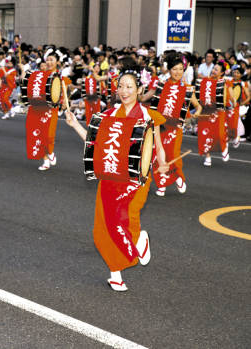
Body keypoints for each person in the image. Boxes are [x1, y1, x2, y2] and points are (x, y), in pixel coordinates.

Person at [65, 62, 169, 291]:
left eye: (129, 86)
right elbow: (96, 144)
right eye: (120, 86)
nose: (124, 91)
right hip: (110, 176)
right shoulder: (109, 115)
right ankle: (115, 273)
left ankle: (139, 240)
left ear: (139, 89)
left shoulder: (149, 116)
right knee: (104, 226)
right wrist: (75, 126)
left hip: (135, 179)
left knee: (125, 215)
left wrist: (162, 164)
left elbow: (158, 146)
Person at [139, 53, 202, 196]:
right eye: (175, 69)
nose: (178, 72)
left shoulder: (187, 88)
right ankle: (162, 184)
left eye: (181, 69)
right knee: (156, 155)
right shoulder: (160, 85)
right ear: (169, 70)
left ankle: (178, 176)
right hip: (158, 127)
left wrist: (197, 111)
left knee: (172, 153)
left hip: (175, 128)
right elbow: (142, 98)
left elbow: (197, 106)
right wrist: (140, 86)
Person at [24, 49, 70, 170]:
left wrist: (65, 102)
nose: (49, 62)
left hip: (51, 109)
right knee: (36, 133)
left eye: (52, 60)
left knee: (48, 134)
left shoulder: (60, 77)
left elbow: (65, 92)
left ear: (58, 62)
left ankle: (50, 151)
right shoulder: (40, 75)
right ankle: (45, 160)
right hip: (37, 107)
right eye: (47, 60)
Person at [194, 61, 235, 166]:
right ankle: (207, 157)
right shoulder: (204, 81)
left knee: (219, 134)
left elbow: (231, 96)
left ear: (222, 73)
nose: (213, 71)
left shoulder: (225, 82)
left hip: (218, 111)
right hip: (205, 110)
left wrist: (233, 103)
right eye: (213, 68)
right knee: (204, 134)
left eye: (216, 70)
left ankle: (223, 148)